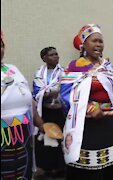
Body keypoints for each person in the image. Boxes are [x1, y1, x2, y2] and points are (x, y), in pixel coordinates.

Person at [60, 24, 113, 180]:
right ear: (83, 45)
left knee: (111, 167)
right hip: (89, 126)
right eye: (94, 41)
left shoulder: (106, 66)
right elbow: (66, 95)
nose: (98, 45)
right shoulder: (75, 67)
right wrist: (90, 108)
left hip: (111, 123)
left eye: (100, 41)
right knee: (91, 170)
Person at [1, 30, 45, 179]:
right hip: (2, 133)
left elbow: (27, 98)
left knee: (22, 169)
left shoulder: (12, 69)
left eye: (1, 45)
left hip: (23, 130)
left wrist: (40, 123)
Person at [33, 46, 66, 178]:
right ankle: (47, 168)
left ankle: (60, 168)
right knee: (46, 139)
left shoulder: (64, 72)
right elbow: (37, 92)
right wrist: (50, 92)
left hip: (59, 112)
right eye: (52, 55)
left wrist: (55, 92)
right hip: (45, 112)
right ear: (44, 58)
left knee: (59, 139)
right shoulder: (39, 73)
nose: (56, 57)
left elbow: (67, 89)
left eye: (56, 54)